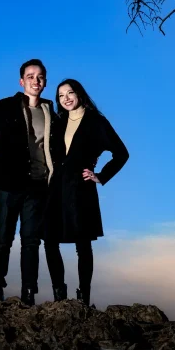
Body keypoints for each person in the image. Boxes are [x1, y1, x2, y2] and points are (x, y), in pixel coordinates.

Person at [0, 59, 56, 306]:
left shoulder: (51, 112)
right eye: (30, 76)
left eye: (40, 76)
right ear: (22, 81)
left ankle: (29, 291)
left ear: (45, 82)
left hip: (38, 185)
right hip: (7, 184)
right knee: (4, 237)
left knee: (31, 240)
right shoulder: (2, 107)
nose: (35, 80)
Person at [44, 78, 129, 306]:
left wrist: (100, 176)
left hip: (81, 189)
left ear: (79, 94)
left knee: (83, 244)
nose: (66, 98)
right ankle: (59, 295)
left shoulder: (96, 122)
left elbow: (121, 153)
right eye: (61, 95)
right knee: (49, 240)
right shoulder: (58, 122)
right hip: (55, 188)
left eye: (70, 93)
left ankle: (83, 297)